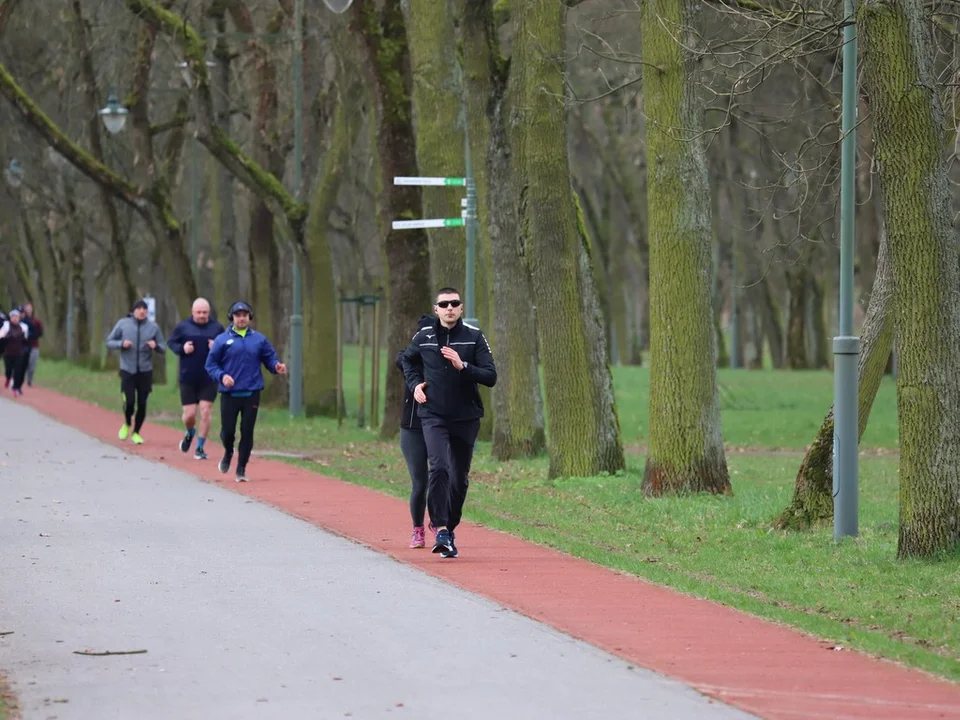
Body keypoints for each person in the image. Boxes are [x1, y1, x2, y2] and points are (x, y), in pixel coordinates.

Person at [400, 288, 497, 558]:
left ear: (461, 308)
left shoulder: (474, 337)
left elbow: (490, 376)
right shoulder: (424, 336)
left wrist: (463, 365)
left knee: (459, 478)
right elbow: (407, 360)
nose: (450, 308)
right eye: (444, 304)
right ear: (436, 309)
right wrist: (415, 384)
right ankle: (440, 529)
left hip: (466, 417)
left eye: (454, 303)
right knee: (439, 468)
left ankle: (450, 528)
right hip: (433, 415)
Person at [205, 301, 286, 482]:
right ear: (232, 318)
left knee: (247, 431)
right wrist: (222, 376)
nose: (241, 318)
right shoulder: (222, 340)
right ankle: (228, 451)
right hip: (229, 394)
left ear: (249, 317)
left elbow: (270, 358)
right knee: (228, 432)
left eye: (244, 315)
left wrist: (276, 366)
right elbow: (210, 364)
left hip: (251, 392)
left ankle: (241, 469)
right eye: (237, 315)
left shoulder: (259, 340)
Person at [167, 298, 225, 460]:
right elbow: (171, 342)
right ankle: (190, 431)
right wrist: (183, 348)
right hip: (188, 377)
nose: (202, 316)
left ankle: (199, 447)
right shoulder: (183, 327)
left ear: (209, 313)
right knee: (189, 415)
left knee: (205, 412)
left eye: (205, 312)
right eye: (199, 312)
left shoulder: (217, 328)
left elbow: (228, 347)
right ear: (192, 312)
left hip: (209, 377)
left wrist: (217, 347)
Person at [397, 314, 435, 549]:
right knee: (420, 483)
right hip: (412, 429)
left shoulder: (443, 360)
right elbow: (401, 359)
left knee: (442, 478)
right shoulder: (408, 359)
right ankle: (418, 529)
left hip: (440, 426)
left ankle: (440, 524)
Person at [105, 299, 167, 444]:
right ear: (134, 311)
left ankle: (136, 432)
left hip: (145, 371)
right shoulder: (123, 324)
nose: (142, 311)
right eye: (139, 308)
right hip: (127, 369)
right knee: (130, 401)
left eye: (144, 308)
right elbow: (109, 341)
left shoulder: (153, 327)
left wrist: (155, 346)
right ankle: (127, 423)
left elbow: (163, 347)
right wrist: (121, 344)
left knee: (142, 403)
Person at [0, 308, 29, 396]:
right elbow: (1, 335)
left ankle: (16, 388)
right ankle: (8, 378)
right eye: (13, 317)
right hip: (8, 352)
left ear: (19, 318)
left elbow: (26, 339)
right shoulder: (6, 325)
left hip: (19, 352)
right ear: (10, 318)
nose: (15, 318)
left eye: (16, 317)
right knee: (8, 370)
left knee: (18, 371)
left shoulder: (24, 327)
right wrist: (4, 336)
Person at [21, 302, 43, 386]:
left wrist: (34, 335)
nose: (29, 309)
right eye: (27, 308)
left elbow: (41, 332)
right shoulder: (21, 321)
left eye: (30, 308)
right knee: (25, 363)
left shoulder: (36, 321)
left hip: (34, 345)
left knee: (32, 364)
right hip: (24, 346)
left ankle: (29, 380)